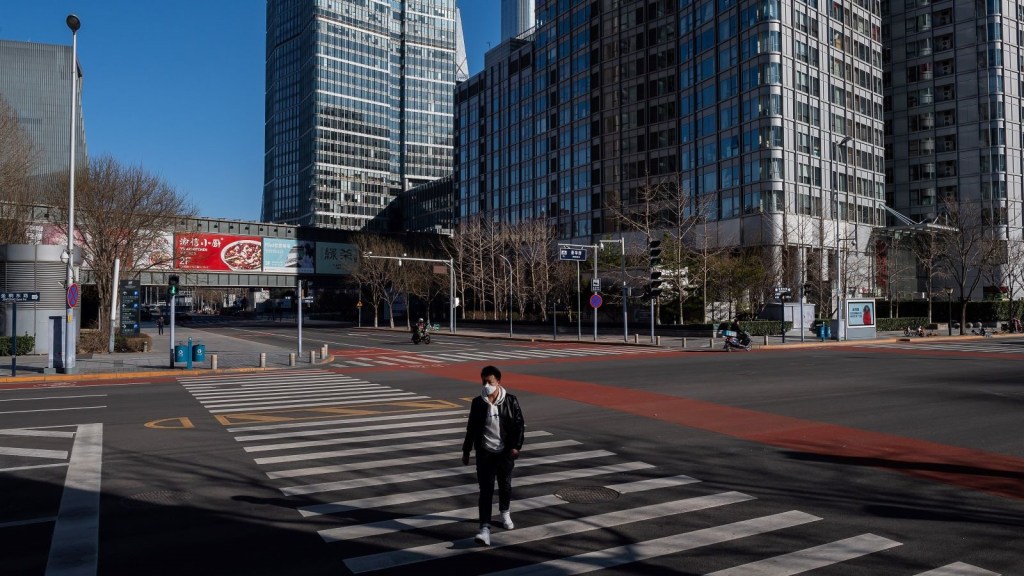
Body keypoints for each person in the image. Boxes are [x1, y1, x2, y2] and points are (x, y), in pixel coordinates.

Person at [462, 365, 525, 546]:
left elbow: (519, 425)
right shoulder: (477, 402)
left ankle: (505, 513)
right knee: (486, 491)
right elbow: (471, 429)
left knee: (505, 485)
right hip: (485, 454)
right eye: (483, 381)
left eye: (489, 381)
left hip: (504, 453)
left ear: (498, 382)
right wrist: (466, 451)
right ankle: (484, 528)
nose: (486, 385)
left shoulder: (511, 401)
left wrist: (516, 446)